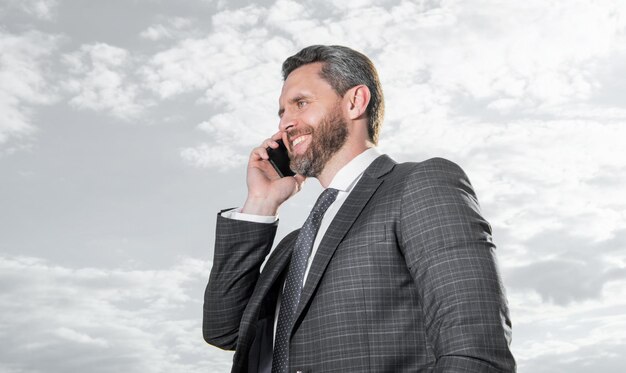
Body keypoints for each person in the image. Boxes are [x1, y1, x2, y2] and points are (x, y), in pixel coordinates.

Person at [203, 45, 516, 373]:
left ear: (355, 102)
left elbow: (476, 350)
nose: (286, 124)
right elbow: (224, 331)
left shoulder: (418, 184)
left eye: (301, 103)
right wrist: (260, 204)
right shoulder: (293, 246)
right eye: (281, 111)